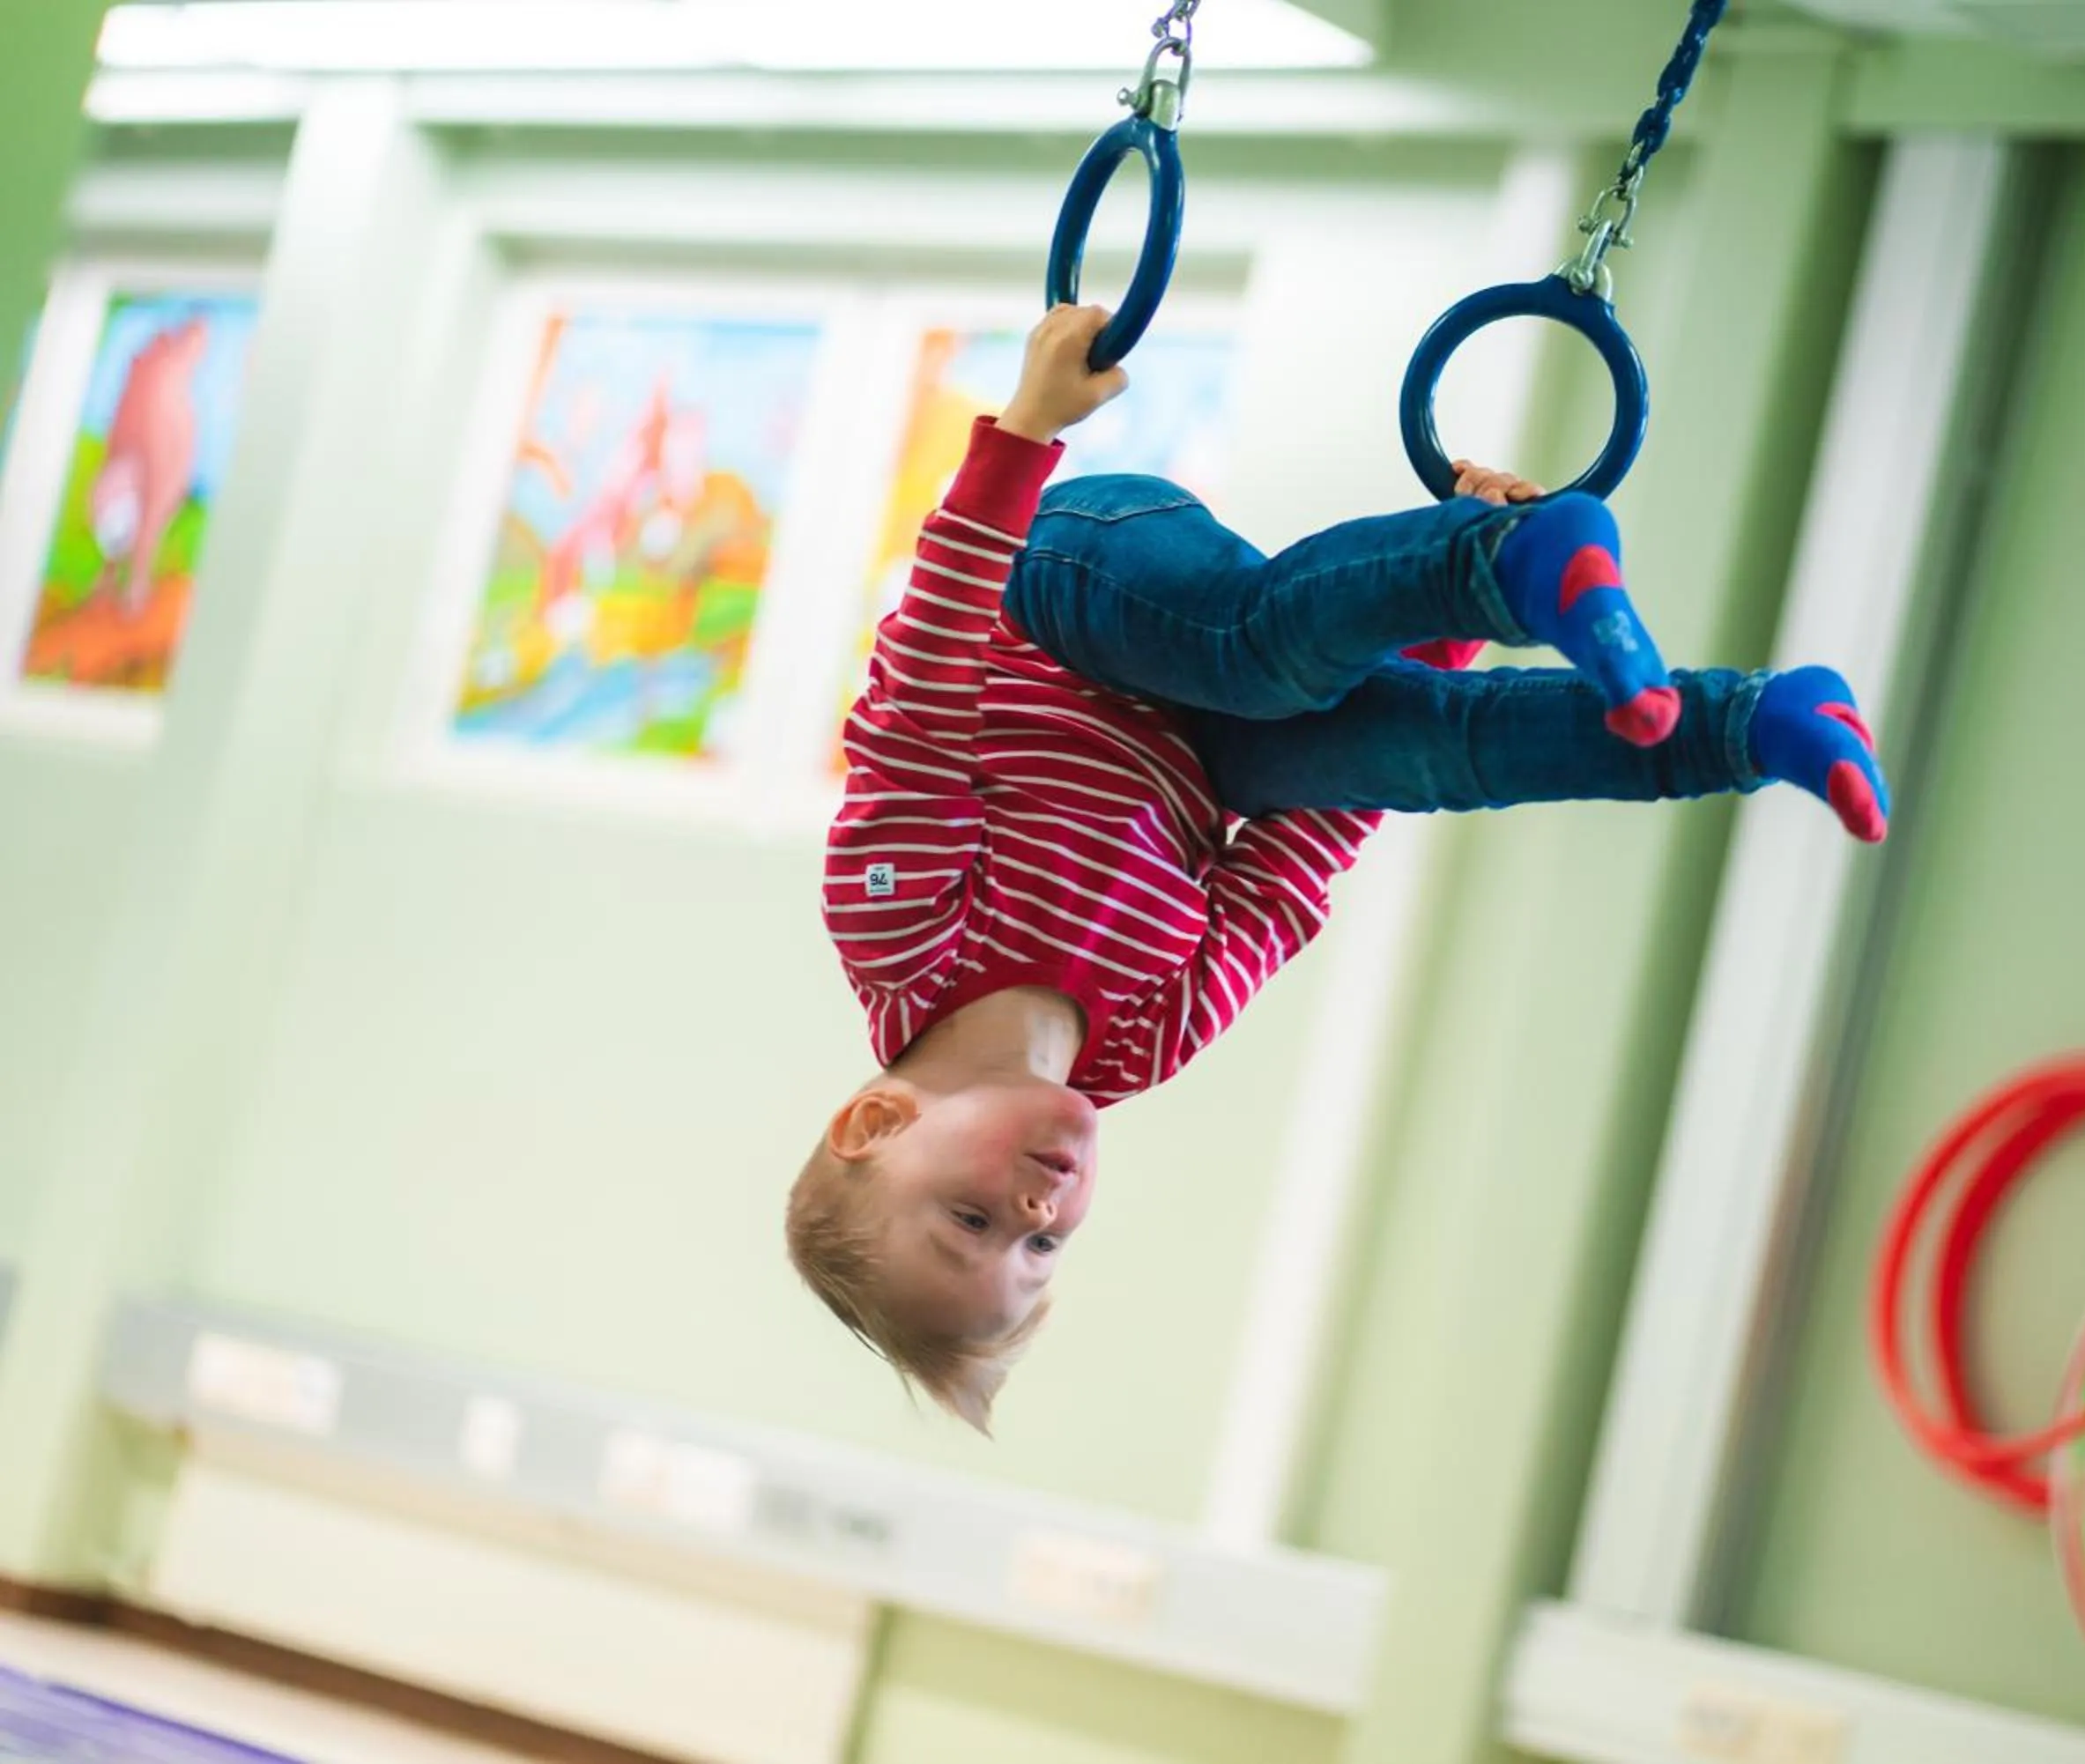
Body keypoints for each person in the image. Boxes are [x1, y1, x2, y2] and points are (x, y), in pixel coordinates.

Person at [790, 304, 1889, 1430]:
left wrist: (1026, 430)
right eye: (1042, 1249)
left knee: (1256, 651)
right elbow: (1299, 851)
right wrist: (1436, 649)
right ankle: (1752, 727)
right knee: (1437, 754)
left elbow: (925, 676)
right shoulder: (1148, 1038)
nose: (1035, 1212)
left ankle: (1503, 563)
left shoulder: (905, 935)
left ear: (877, 1123)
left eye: (972, 1221)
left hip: (1062, 590)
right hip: (1209, 746)